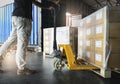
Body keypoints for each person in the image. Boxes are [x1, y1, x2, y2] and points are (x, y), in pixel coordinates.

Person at [0, 0, 60, 75]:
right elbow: (36, 2)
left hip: (16, 16)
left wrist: (47, 7)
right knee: (22, 43)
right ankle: (22, 68)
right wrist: (53, 2)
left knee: (11, 41)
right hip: (23, 18)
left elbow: (34, 2)